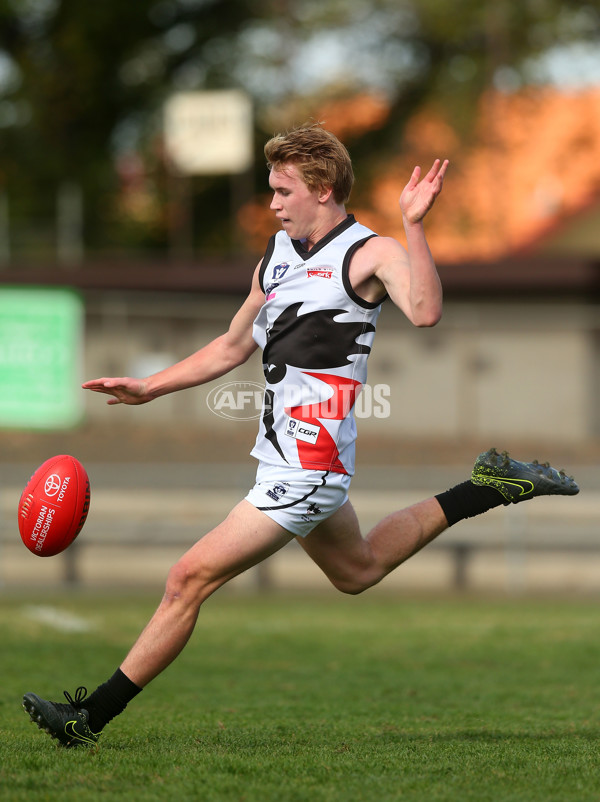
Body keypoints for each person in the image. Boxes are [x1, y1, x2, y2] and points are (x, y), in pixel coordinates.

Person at [22, 124, 579, 747]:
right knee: (357, 570)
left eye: (283, 190)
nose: (273, 202)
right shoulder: (277, 255)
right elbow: (234, 344)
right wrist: (150, 387)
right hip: (283, 459)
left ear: (323, 188)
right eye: (271, 190)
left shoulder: (370, 252)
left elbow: (424, 311)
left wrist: (414, 226)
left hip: (307, 465)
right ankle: (485, 488)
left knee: (187, 579)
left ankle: (87, 719)